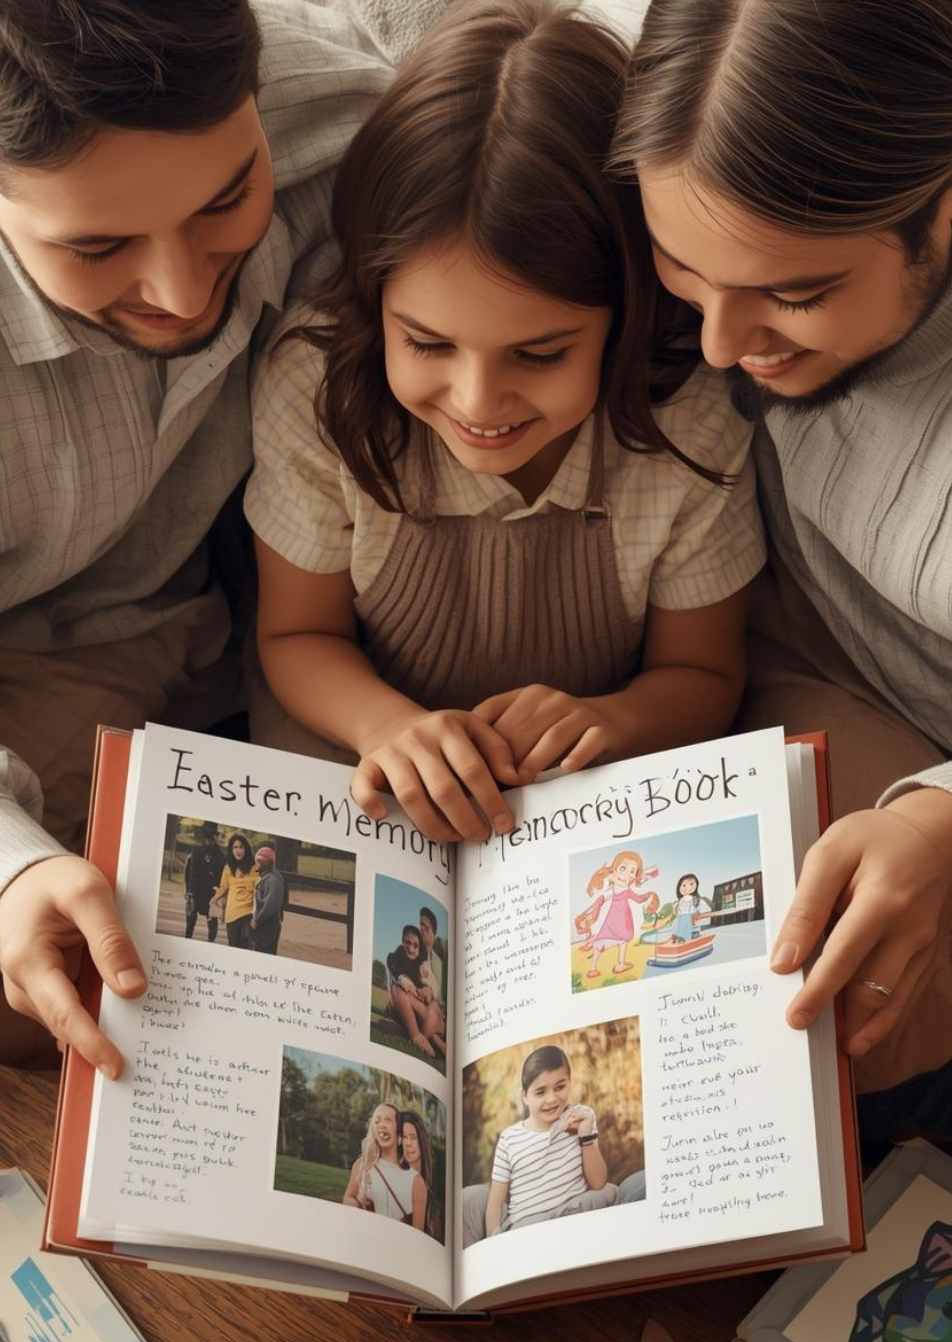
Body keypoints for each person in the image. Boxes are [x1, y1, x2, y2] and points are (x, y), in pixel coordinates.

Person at [0, 0, 401, 1075]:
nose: (183, 287)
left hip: (210, 641)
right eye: (99, 246)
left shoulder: (344, 105)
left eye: (225, 200)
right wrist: (0, 870)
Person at [245, 0, 766, 848]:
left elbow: (703, 672)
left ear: (625, 316)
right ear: (376, 304)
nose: (479, 403)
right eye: (427, 343)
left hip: (576, 799)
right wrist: (388, 727)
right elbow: (296, 634)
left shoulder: (690, 421)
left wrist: (618, 720)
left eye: (541, 354)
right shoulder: (317, 390)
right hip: (352, 746)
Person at [616, 0, 952, 1124]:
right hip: (787, 668)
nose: (721, 347)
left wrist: (936, 820)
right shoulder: (681, 105)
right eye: (681, 266)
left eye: (794, 295)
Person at [461, 1044, 647, 1249]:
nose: (552, 1099)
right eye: (540, 1092)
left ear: (570, 1083)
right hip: (530, 1223)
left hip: (574, 1209)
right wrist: (494, 1241)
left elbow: (598, 1182)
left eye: (560, 1087)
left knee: (607, 1191)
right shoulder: (509, 1139)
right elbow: (495, 1203)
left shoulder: (580, 1116)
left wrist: (586, 1136)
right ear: (525, 1097)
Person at [574, 850, 659, 977]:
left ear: (634, 876)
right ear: (614, 871)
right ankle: (597, 968)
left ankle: (615, 965)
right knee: (606, 942)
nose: (626, 874)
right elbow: (599, 901)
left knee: (617, 941)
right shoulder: (611, 891)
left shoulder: (626, 890)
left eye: (632, 871)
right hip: (613, 921)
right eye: (623, 868)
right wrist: (592, 917)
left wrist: (649, 895)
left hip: (622, 921)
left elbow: (638, 899)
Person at [343, 1101, 426, 1229]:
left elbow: (418, 1234)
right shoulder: (362, 1165)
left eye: (388, 1120)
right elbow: (347, 1198)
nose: (381, 1125)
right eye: (377, 1121)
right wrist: (358, 1203)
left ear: (399, 1134)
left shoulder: (415, 1181)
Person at [386, 925, 446, 1058]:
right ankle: (418, 1036)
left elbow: (434, 996)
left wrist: (427, 991)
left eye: (415, 945)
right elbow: (394, 967)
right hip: (407, 1010)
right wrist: (405, 981)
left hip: (428, 1013)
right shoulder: (397, 956)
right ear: (402, 942)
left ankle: (433, 1038)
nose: (411, 948)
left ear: (420, 949)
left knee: (432, 1008)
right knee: (399, 990)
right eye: (407, 943)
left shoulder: (424, 966)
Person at [398, 1109, 442, 1241]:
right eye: (404, 1137)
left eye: (413, 1137)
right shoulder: (398, 1180)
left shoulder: (436, 1182)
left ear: (422, 1140)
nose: (408, 1143)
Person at [214, 835, 258, 949]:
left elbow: (258, 893)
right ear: (231, 850)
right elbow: (223, 889)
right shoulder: (228, 868)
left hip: (248, 915)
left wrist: (255, 917)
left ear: (246, 849)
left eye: (241, 847)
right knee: (233, 947)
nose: (238, 850)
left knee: (246, 948)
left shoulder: (256, 868)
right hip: (231, 916)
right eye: (235, 847)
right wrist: (217, 905)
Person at [183, 824, 225, 943]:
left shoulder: (221, 856)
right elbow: (188, 873)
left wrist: (219, 896)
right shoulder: (195, 852)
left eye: (214, 837)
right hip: (195, 890)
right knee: (190, 918)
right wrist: (188, 891)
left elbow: (222, 877)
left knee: (212, 921)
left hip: (211, 894)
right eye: (211, 837)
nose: (212, 839)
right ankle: (187, 939)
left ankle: (210, 943)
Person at [250, 845, 286, 955]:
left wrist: (257, 920)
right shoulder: (267, 877)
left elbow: (270, 905)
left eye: (258, 861)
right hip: (265, 925)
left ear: (265, 863)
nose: (256, 864)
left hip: (267, 927)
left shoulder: (272, 880)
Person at [669, 873, 712, 943]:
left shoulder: (695, 899)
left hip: (692, 920)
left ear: (696, 885)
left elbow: (704, 909)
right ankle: (678, 935)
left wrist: (698, 913)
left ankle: (687, 936)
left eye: (691, 884)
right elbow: (678, 911)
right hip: (682, 920)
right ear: (679, 887)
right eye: (684, 885)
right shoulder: (680, 901)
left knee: (687, 919)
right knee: (676, 921)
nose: (688, 887)